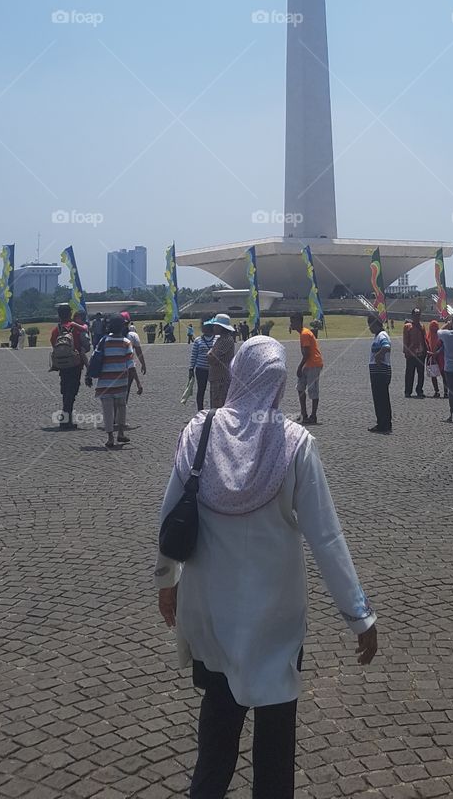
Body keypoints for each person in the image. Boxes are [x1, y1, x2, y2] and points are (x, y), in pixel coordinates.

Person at [155, 336, 377, 799]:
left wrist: (166, 581)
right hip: (275, 623)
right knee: (275, 750)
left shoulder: (199, 432)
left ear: (238, 373)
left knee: (215, 742)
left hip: (211, 617)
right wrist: (359, 615)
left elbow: (170, 515)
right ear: (276, 382)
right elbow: (327, 537)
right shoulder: (295, 444)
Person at [86, 313, 132, 448]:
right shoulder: (126, 342)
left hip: (105, 382)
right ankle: (121, 433)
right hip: (121, 382)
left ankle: (110, 438)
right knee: (122, 407)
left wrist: (88, 375)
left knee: (107, 410)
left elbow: (94, 358)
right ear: (122, 327)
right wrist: (138, 382)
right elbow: (131, 364)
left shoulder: (103, 341)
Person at [50, 303, 87, 430]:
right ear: (69, 314)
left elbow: (53, 345)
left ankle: (66, 417)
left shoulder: (56, 330)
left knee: (66, 390)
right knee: (72, 391)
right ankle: (66, 419)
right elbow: (85, 331)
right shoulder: (73, 327)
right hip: (75, 363)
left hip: (62, 365)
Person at [290, 312, 323, 424]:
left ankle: (313, 416)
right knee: (300, 388)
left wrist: (299, 367)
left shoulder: (304, 334)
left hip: (313, 364)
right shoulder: (303, 333)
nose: (291, 324)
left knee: (313, 390)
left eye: (292, 321)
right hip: (308, 364)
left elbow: (307, 354)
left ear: (299, 322)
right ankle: (304, 414)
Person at [368, 314, 392, 434]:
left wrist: (378, 357)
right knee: (380, 399)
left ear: (374, 324)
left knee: (381, 399)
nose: (369, 329)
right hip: (378, 372)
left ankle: (384, 424)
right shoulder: (378, 335)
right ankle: (383, 422)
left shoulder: (382, 335)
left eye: (370, 325)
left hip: (380, 372)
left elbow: (386, 347)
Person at [206, 313, 236, 409]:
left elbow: (212, 358)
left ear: (220, 327)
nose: (213, 327)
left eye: (215, 325)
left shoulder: (226, 340)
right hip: (216, 377)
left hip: (221, 378)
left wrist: (209, 353)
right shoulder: (220, 339)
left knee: (218, 405)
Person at [189, 320, 216, 411]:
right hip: (201, 369)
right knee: (201, 390)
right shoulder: (198, 340)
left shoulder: (217, 339)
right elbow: (194, 355)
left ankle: (214, 409)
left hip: (213, 369)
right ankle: (200, 410)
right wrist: (191, 368)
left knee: (214, 390)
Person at [402, 307, 427, 398]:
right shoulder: (407, 327)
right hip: (411, 354)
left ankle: (419, 390)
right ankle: (408, 391)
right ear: (412, 316)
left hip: (421, 353)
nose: (417, 317)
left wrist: (426, 350)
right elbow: (405, 340)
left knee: (421, 374)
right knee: (409, 373)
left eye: (419, 315)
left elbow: (425, 339)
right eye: (416, 315)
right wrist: (405, 352)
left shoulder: (422, 326)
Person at [426, 319, 447, 398]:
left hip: (440, 356)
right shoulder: (428, 335)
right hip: (431, 356)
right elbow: (427, 345)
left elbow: (443, 346)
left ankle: (446, 392)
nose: (434, 330)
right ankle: (436, 391)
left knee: (443, 374)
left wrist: (437, 352)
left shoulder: (441, 336)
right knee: (433, 374)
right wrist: (429, 352)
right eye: (432, 328)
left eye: (435, 328)